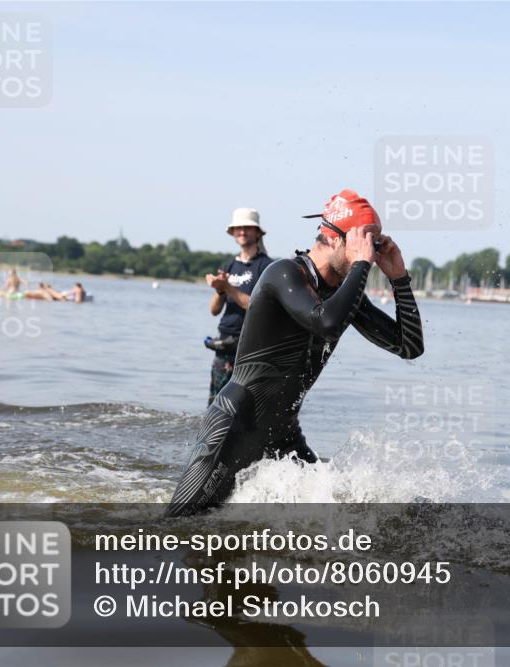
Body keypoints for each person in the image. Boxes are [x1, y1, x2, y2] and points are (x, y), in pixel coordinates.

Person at [167, 189, 424, 517]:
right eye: (362, 242)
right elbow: (326, 323)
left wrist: (399, 279)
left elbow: (410, 347)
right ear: (334, 238)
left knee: (333, 517)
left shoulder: (345, 294)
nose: (370, 254)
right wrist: (361, 264)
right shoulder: (284, 273)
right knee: (179, 529)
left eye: (373, 244)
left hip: (283, 433)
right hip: (236, 424)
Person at [204, 208, 274, 404]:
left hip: (251, 346)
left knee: (245, 406)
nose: (242, 232)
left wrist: (228, 287)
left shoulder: (266, 267)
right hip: (224, 343)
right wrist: (220, 290)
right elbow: (214, 310)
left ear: (257, 233)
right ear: (233, 233)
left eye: (247, 228)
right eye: (238, 228)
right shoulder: (229, 266)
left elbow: (257, 306)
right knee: (216, 405)